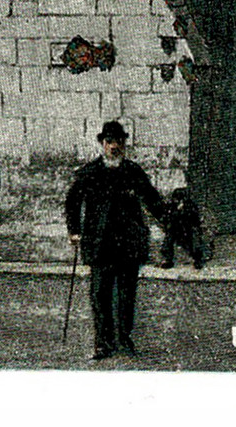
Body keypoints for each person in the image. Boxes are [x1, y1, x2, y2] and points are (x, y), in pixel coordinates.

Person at [65, 120, 171, 360]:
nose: (114, 146)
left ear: (124, 144)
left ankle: (124, 339)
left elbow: (152, 199)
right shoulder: (89, 172)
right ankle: (103, 342)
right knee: (100, 295)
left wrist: (167, 220)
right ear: (102, 144)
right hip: (100, 244)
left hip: (128, 245)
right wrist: (74, 231)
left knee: (126, 295)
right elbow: (72, 201)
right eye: (109, 142)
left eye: (119, 142)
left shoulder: (133, 171)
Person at [159, 187, 207, 270]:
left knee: (193, 243)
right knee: (168, 242)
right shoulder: (172, 206)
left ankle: (198, 260)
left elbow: (194, 218)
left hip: (187, 227)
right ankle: (168, 260)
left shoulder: (190, 205)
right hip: (175, 227)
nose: (175, 200)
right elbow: (168, 216)